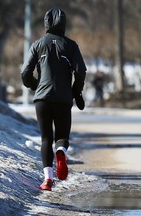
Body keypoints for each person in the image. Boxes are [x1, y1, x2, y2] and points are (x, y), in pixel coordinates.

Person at [21, 8, 86, 191]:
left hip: (42, 100)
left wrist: (36, 86)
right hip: (64, 98)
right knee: (62, 136)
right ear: (64, 24)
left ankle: (48, 180)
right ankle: (60, 153)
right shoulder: (71, 46)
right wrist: (76, 92)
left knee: (45, 139)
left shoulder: (37, 44)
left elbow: (25, 73)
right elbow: (81, 71)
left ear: (46, 24)